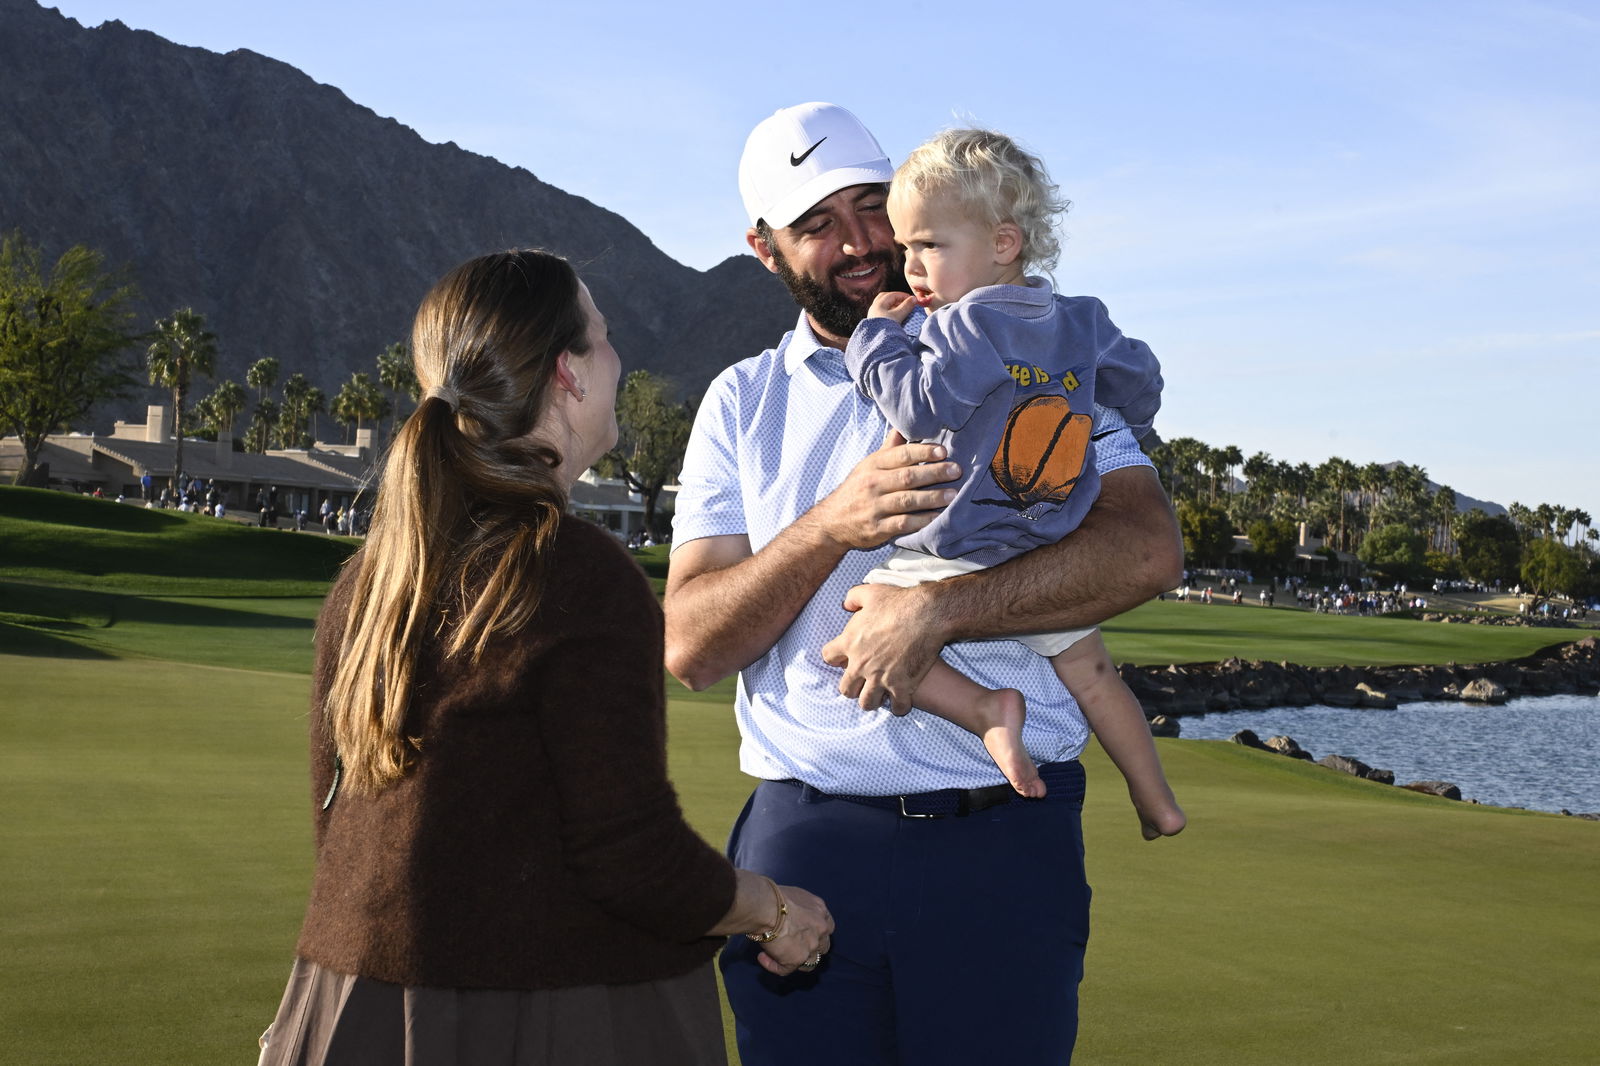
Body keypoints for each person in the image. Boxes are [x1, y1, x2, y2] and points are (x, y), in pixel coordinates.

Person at [665, 103, 1184, 1065]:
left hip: (1002, 833)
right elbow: (692, 644)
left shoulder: (1026, 351)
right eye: (818, 225)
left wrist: (938, 612)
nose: (863, 245)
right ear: (764, 249)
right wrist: (832, 524)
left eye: (873, 209)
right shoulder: (744, 400)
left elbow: (1147, 550)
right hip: (805, 841)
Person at [259, 250, 833, 1066]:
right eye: (601, 338)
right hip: (539, 1022)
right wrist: (773, 912)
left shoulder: (372, 579)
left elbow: (338, 828)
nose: (614, 358)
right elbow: (633, 858)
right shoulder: (575, 573)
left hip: (356, 1008)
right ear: (568, 374)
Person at [838, 127, 1184, 838]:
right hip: (1046, 544)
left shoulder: (962, 327)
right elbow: (1140, 379)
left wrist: (873, 339)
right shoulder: (1080, 319)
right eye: (905, 248)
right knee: (1092, 674)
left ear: (1003, 244)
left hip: (958, 544)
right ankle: (1158, 803)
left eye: (930, 246)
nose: (911, 268)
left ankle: (986, 710)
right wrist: (1112, 418)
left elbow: (919, 405)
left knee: (855, 623)